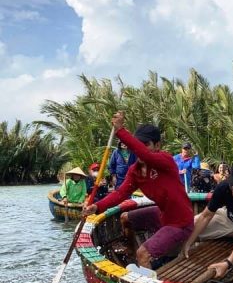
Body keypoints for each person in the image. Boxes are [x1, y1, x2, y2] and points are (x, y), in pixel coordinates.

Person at [83, 112, 194, 270]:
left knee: (143, 254)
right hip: (162, 216)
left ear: (157, 146)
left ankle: (145, 270)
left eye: (145, 144)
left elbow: (146, 155)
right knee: (125, 218)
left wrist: (120, 130)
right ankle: (131, 251)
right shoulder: (135, 171)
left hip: (180, 223)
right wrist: (96, 207)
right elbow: (120, 194)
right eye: (137, 145)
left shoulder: (165, 161)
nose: (139, 150)